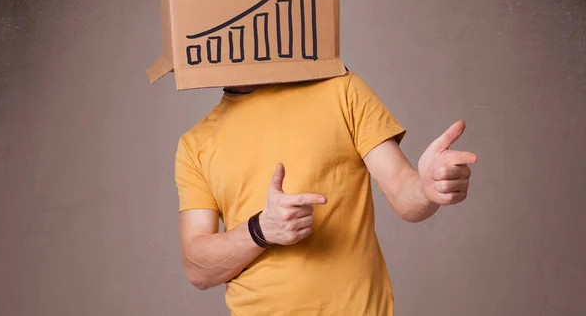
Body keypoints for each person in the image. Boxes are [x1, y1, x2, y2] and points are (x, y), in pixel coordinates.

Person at [174, 70, 477, 316]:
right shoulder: (196, 144)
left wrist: (427, 188)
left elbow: (403, 193)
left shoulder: (341, 89)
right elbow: (197, 268)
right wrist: (261, 229)